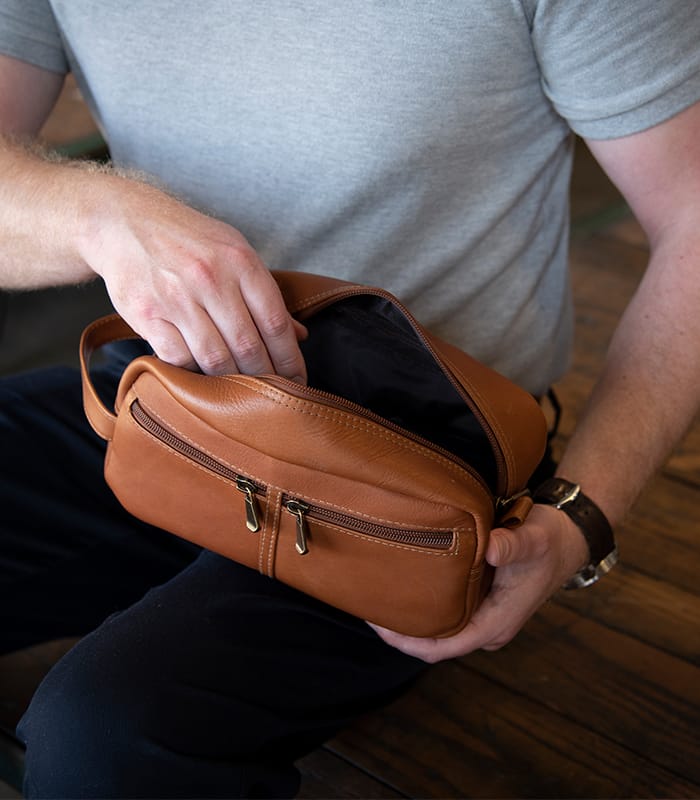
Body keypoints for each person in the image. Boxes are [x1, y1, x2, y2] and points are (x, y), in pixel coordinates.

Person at [1, 2, 699, 797]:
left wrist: (582, 517)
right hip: (177, 408)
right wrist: (101, 214)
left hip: (423, 470)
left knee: (102, 743)